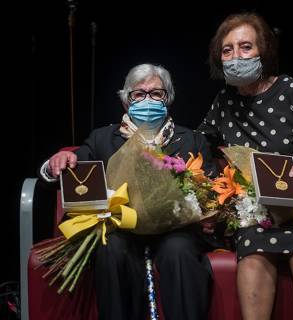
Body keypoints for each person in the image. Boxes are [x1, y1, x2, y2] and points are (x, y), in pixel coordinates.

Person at [197, 13, 293, 320]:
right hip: (257, 216)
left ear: (263, 51)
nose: (236, 57)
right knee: (252, 252)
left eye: (245, 47)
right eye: (227, 50)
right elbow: (198, 143)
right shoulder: (224, 101)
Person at [40, 63, 217, 320]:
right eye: (139, 94)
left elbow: (210, 189)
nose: (148, 99)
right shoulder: (101, 139)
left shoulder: (192, 140)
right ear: (126, 101)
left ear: (168, 100)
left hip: (175, 232)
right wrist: (55, 164)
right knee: (110, 248)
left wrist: (209, 212)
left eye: (156, 94)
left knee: (178, 251)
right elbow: (66, 178)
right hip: (119, 230)